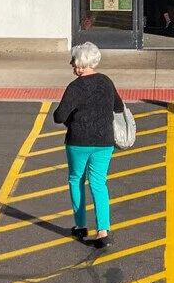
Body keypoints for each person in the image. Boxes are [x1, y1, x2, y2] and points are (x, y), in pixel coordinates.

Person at [52, 41, 125, 246]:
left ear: (81, 64)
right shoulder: (106, 82)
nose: (71, 64)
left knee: (76, 179)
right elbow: (118, 106)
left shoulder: (75, 87)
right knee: (99, 183)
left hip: (79, 141)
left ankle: (80, 225)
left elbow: (59, 116)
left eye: (73, 61)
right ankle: (103, 231)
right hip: (104, 141)